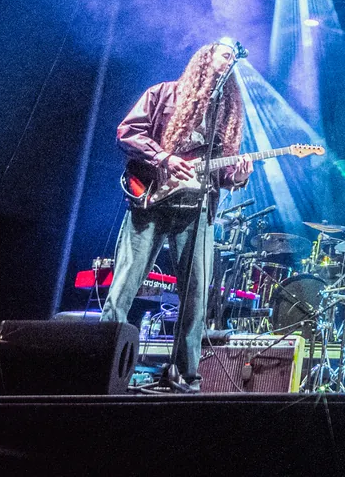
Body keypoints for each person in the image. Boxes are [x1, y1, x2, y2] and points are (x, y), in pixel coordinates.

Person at [100, 40, 252, 391]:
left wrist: (239, 175)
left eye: (234, 57)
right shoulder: (164, 94)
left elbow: (222, 173)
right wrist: (164, 158)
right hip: (151, 201)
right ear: (206, 57)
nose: (231, 59)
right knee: (123, 286)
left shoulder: (226, 112)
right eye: (225, 53)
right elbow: (127, 132)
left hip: (196, 210)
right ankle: (104, 364)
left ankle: (185, 377)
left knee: (196, 296)